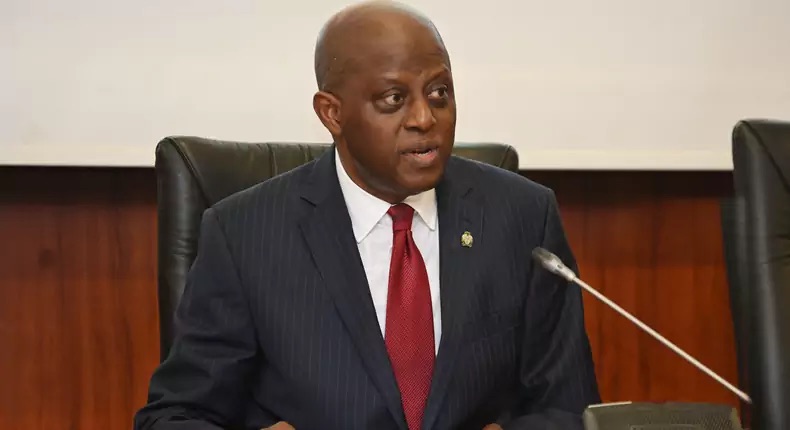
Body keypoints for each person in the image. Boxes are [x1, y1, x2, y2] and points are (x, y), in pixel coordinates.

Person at [133, 1, 600, 429]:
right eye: (393, 99)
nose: (424, 118)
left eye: (439, 92)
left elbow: (571, 410)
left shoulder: (522, 217)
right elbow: (174, 416)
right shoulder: (244, 235)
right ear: (332, 114)